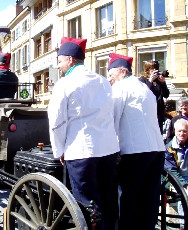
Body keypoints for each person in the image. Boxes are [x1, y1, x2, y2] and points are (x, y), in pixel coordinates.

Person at [48, 37, 120, 230]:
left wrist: (59, 150)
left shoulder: (65, 83)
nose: (58, 65)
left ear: (70, 60)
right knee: (107, 200)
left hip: (82, 152)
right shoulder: (103, 81)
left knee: (87, 206)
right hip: (108, 150)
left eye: (60, 60)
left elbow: (56, 122)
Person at [107, 53, 165, 230]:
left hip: (134, 152)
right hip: (156, 149)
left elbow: (113, 121)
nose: (109, 79)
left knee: (128, 200)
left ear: (122, 72)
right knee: (149, 199)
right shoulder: (145, 88)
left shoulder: (120, 88)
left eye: (111, 75)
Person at [139, 60, 170, 134]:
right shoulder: (142, 80)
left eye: (156, 68)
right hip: (148, 113)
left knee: (158, 134)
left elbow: (166, 95)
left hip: (158, 113)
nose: (155, 70)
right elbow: (143, 94)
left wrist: (163, 83)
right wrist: (150, 81)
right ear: (148, 70)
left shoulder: (159, 80)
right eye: (153, 68)